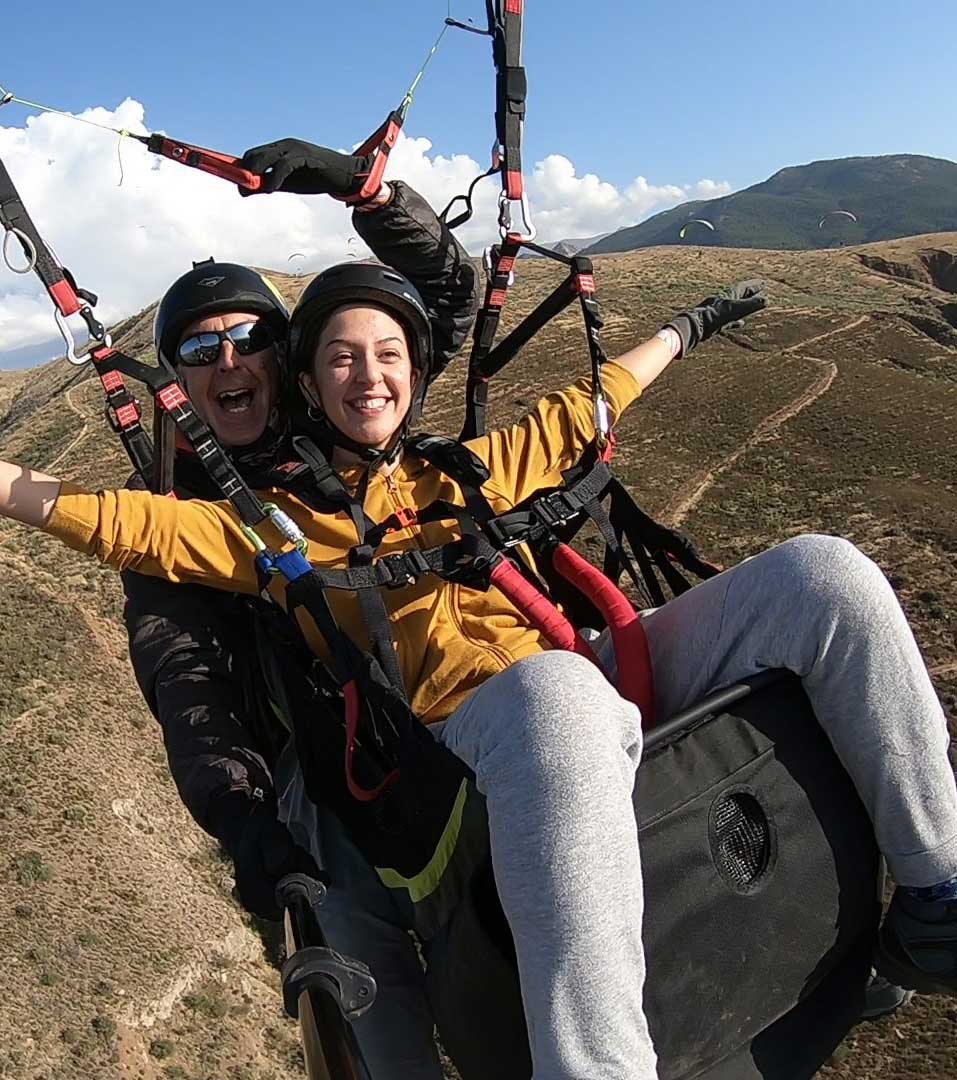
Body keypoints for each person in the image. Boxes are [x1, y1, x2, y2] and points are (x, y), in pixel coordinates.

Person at [2, 267, 955, 1080]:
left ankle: (934, 892)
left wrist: (686, 325)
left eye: (385, 356)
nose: (366, 376)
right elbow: (109, 521)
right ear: (310, 381)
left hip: (578, 664)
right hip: (463, 729)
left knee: (821, 573)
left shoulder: (467, 468)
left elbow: (593, 404)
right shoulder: (268, 528)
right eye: (340, 357)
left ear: (413, 375)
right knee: (558, 697)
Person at [121, 139, 479, 925]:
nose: (229, 362)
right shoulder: (169, 507)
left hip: (443, 670)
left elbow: (449, 301)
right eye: (199, 348)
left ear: (286, 362)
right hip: (309, 746)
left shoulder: (341, 418)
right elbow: (182, 664)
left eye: (249, 339)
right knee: (352, 935)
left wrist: (367, 194)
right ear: (176, 379)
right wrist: (238, 809)